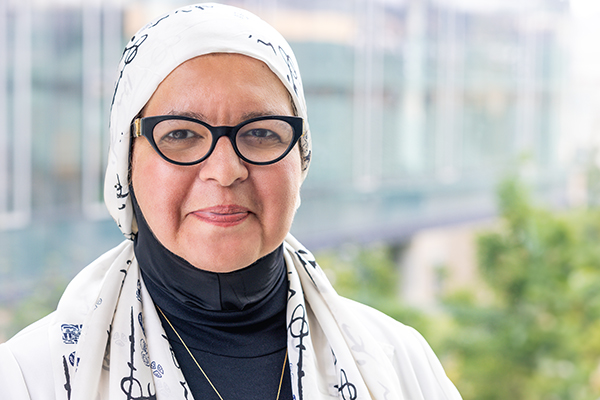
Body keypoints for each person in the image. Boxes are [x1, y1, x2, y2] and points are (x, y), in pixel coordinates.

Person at [0, 3, 462, 400]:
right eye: (181, 134)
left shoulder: (399, 365)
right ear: (127, 160)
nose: (225, 171)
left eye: (261, 133)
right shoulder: (31, 378)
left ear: (300, 159)